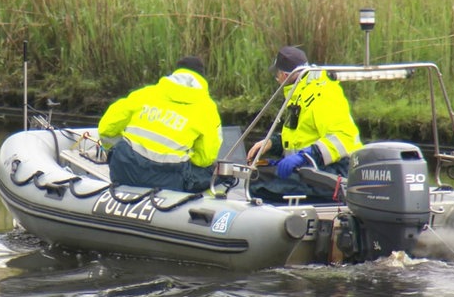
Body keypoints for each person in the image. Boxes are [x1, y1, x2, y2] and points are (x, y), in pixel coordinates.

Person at [247, 46, 363, 202]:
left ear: (284, 75)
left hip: (334, 173)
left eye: (277, 74)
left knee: (258, 187)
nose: (276, 79)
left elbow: (344, 138)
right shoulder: (300, 93)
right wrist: (272, 143)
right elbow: (301, 135)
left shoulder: (322, 94)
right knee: (256, 176)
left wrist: (305, 157)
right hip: (311, 169)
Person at [98, 56, 223, 193]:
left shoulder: (144, 93)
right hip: (169, 181)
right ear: (202, 78)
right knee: (210, 172)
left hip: (125, 172)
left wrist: (111, 149)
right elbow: (205, 158)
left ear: (175, 73)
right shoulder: (207, 109)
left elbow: (106, 128)